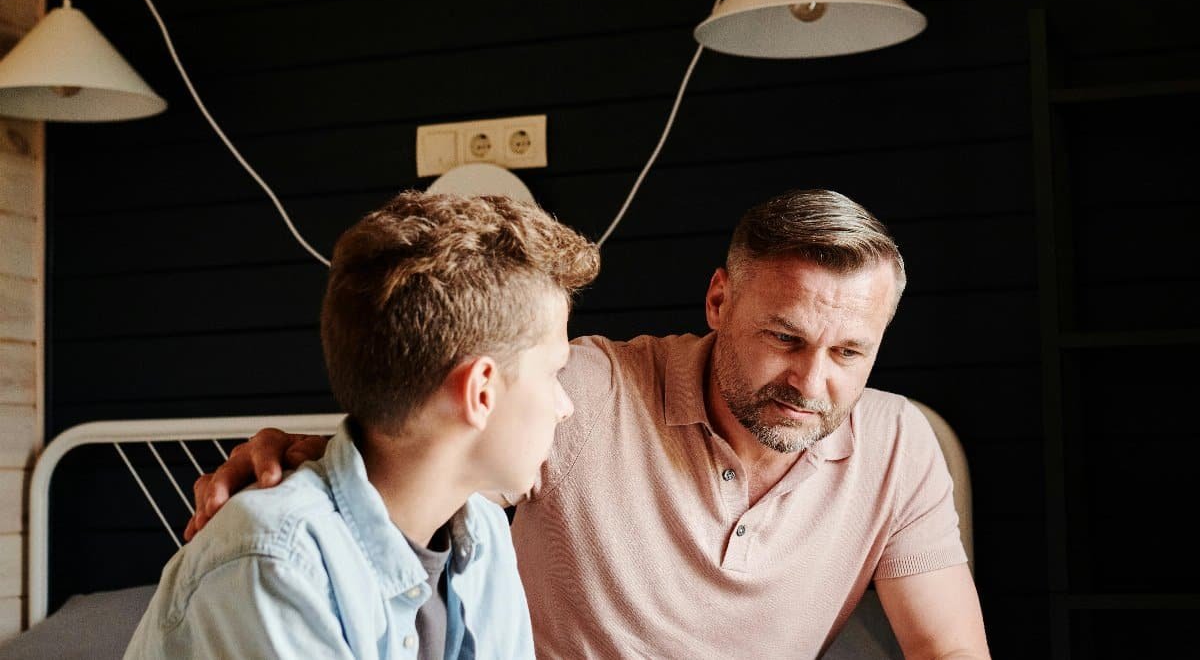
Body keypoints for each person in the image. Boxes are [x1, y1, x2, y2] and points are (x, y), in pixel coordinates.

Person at [189, 189, 991, 659]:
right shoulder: (583, 390)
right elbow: (431, 432)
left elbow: (951, 650)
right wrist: (320, 464)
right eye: (785, 337)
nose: (813, 380)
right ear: (719, 301)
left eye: (850, 350)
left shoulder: (897, 443)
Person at [125, 192, 600, 659]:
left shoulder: (485, 533)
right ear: (480, 392)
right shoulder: (275, 561)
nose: (565, 406)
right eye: (554, 372)